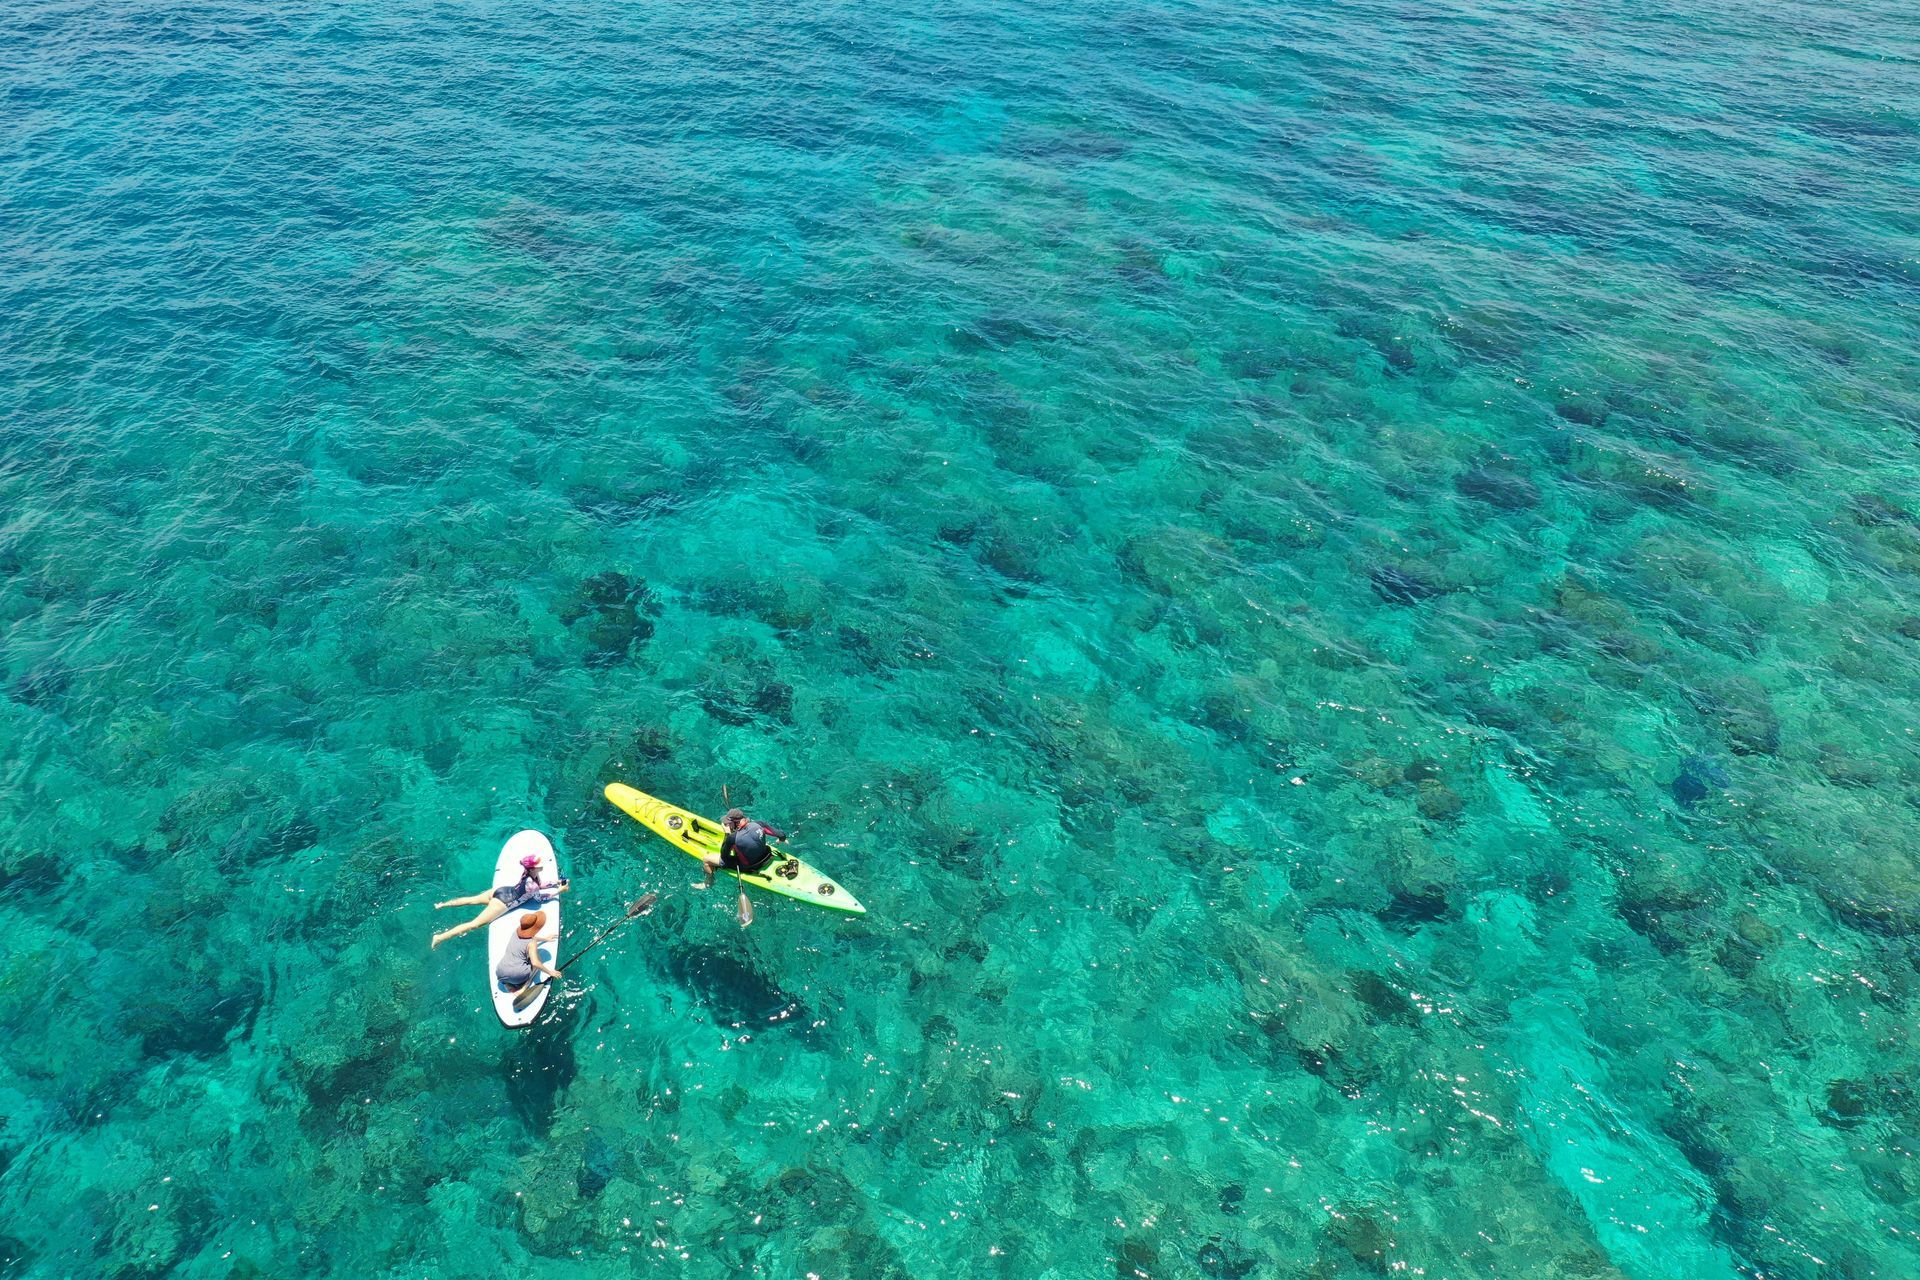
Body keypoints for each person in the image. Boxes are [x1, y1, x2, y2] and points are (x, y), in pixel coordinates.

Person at [431, 853, 570, 948]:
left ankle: (442, 905)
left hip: (502, 890)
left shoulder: (529, 874)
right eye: (540, 863)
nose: (543, 863)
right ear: (533, 867)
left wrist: (557, 882)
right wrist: (559, 891)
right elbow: (540, 898)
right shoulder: (531, 884)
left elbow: (540, 885)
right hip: (504, 903)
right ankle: (439, 938)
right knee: (473, 925)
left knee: (472, 900)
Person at [700, 807, 789, 886]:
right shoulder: (760, 824)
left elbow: (724, 857)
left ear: (735, 823)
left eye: (728, 823)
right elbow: (781, 835)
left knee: (706, 859)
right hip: (767, 856)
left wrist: (727, 835)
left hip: (750, 866)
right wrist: (781, 839)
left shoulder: (732, 838)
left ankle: (708, 882)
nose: (727, 825)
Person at [495, 910, 563, 992]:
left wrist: (545, 938)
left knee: (515, 964)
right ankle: (524, 987)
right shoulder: (531, 943)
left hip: (500, 972)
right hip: (517, 976)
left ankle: (507, 984)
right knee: (538, 958)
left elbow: (532, 937)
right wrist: (549, 972)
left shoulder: (516, 931)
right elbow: (535, 963)